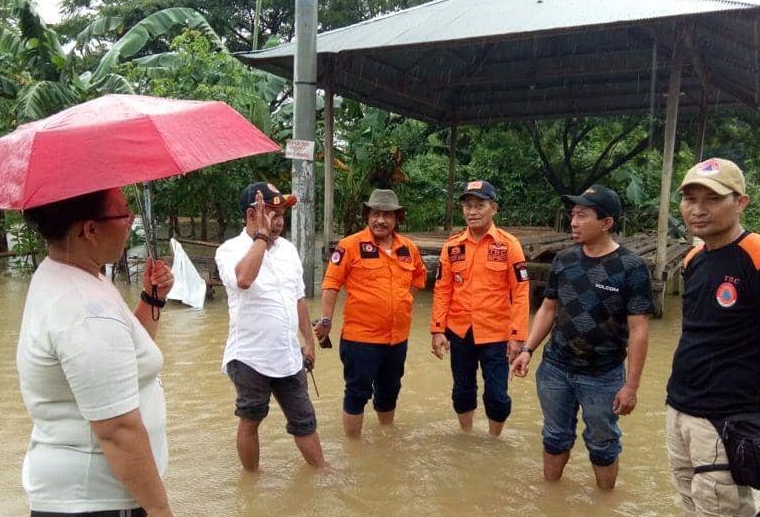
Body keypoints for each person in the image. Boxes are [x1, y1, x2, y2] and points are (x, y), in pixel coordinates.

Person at [16, 188, 177, 517]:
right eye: (124, 215)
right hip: (103, 501)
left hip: (81, 495)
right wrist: (158, 510)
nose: (131, 224)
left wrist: (151, 299)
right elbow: (117, 429)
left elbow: (123, 360)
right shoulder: (85, 309)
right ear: (90, 229)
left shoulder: (72, 277)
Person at [665, 158, 760, 517]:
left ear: (741, 203)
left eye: (711, 200)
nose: (697, 209)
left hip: (725, 421)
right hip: (680, 411)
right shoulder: (694, 259)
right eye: (689, 199)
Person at [511, 184, 654, 489]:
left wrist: (631, 385)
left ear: (606, 223)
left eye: (582, 216)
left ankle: (604, 508)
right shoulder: (564, 260)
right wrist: (527, 349)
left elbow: (640, 329)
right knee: (554, 435)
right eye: (573, 215)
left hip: (603, 375)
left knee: (603, 443)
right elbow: (548, 308)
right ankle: (550, 499)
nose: (573, 222)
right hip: (555, 369)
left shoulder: (631, 267)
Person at [215, 182, 325, 471]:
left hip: (288, 355)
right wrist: (261, 238)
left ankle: (322, 472)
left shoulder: (288, 250)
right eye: (272, 213)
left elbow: (298, 298)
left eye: (281, 214)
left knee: (305, 419)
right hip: (249, 357)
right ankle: (251, 482)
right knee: (251, 418)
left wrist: (309, 342)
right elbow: (243, 279)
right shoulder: (229, 250)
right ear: (252, 214)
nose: (279, 221)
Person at [314, 189, 426, 436]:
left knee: (390, 390)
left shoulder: (408, 248)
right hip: (360, 339)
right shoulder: (349, 246)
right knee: (357, 392)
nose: (381, 220)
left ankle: (385, 439)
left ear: (397, 218)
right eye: (376, 213)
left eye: (387, 215)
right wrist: (326, 320)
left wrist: (403, 300)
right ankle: (354, 450)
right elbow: (331, 284)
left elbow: (419, 277)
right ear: (367, 216)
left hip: (397, 339)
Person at [431, 180, 529, 436]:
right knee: (462, 391)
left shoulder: (509, 245)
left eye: (479, 205)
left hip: (496, 334)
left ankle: (494, 439)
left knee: (497, 396)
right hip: (460, 331)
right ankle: (466, 437)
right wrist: (437, 330)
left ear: (493, 208)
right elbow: (442, 289)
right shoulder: (452, 246)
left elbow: (520, 292)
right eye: (467, 206)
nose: (472, 211)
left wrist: (518, 336)